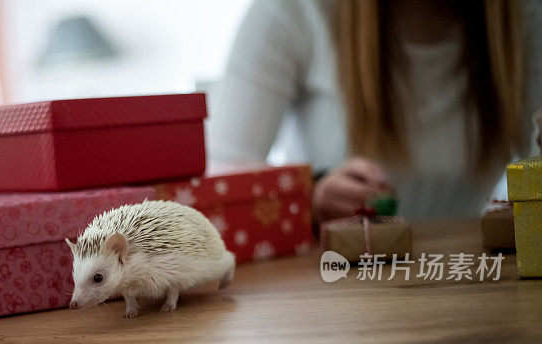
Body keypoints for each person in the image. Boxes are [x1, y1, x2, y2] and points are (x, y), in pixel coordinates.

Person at [208, 0, 542, 221]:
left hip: (469, 289)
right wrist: (306, 200)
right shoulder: (290, 11)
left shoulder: (527, 19)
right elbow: (212, 192)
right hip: (329, 298)